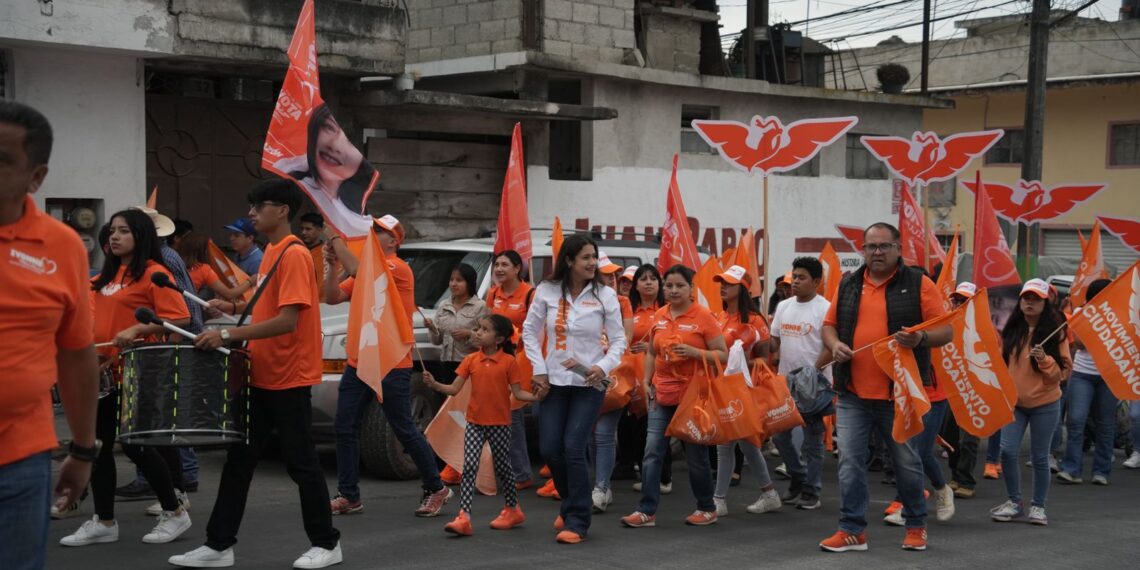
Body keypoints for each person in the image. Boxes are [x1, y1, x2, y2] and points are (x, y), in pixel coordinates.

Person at [170, 180, 342, 568]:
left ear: (282, 210)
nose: (250, 214)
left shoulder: (294, 253)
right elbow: (264, 308)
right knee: (239, 462)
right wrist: (229, 311)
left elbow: (287, 320)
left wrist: (227, 333)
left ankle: (327, 543)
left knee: (301, 464)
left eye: (258, 206)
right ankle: (218, 545)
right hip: (261, 374)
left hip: (289, 377)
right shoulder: (272, 253)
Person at [0, 100, 99, 570]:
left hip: (19, 462)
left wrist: (82, 449)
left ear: (36, 177)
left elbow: (77, 354)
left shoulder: (62, 247)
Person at [60, 209, 192, 548]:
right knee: (99, 447)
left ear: (142, 235)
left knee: (136, 446)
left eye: (124, 231)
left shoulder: (153, 273)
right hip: (101, 372)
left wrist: (137, 328)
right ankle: (104, 520)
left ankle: (174, 511)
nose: (115, 237)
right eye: (112, 231)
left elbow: (180, 316)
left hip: (137, 371)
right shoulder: (104, 275)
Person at [818, 222, 951, 553]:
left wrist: (920, 338)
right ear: (862, 250)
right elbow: (829, 327)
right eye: (870, 247)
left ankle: (917, 525)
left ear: (898, 248)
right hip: (852, 393)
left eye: (883, 246)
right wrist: (834, 346)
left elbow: (946, 332)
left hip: (899, 394)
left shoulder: (919, 284)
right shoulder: (848, 284)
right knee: (849, 462)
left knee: (906, 464)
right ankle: (852, 531)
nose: (876, 253)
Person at [324, 215, 451, 516]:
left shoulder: (397, 267)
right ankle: (349, 495)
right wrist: (331, 265)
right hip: (360, 359)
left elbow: (359, 269)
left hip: (391, 360)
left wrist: (335, 239)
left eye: (379, 232)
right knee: (344, 426)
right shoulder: (366, 269)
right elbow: (331, 297)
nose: (371, 234)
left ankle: (436, 487)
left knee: (403, 427)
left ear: (394, 241)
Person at [521, 234, 626, 544]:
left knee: (573, 447)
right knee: (550, 448)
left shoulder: (606, 295)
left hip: (589, 383)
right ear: (569, 260)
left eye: (594, 256)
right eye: (586, 257)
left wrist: (603, 367)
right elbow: (529, 331)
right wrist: (538, 369)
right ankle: (570, 505)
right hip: (553, 381)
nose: (593, 262)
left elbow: (620, 340)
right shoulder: (546, 290)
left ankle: (578, 519)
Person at [621, 265, 727, 529]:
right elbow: (652, 354)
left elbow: (723, 355)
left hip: (693, 397)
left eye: (679, 285)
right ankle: (646, 511)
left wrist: (693, 352)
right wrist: (645, 381)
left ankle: (706, 508)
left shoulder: (703, 316)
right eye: (668, 285)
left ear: (691, 289)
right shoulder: (659, 315)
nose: (673, 290)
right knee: (652, 452)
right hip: (661, 392)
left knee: (696, 455)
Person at [423, 314, 538, 536]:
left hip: (500, 424)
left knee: (504, 469)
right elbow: (454, 389)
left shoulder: (509, 362)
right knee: (469, 468)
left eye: (484, 330)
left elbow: (518, 393)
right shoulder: (471, 360)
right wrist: (435, 384)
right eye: (478, 328)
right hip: (474, 423)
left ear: (499, 339)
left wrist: (536, 397)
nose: (477, 332)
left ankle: (512, 509)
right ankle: (464, 517)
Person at [990, 279, 1072, 526]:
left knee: (1039, 457)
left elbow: (1062, 374)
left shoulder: (1056, 332)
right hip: (1014, 403)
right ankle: (1015, 503)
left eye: (1036, 298)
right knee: (1007, 451)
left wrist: (1045, 360)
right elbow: (999, 364)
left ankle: (1038, 507)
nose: (1030, 303)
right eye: (1026, 298)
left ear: (1045, 303)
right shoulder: (1011, 330)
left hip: (1045, 404)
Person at [710, 265, 780, 517]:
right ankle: (768, 494)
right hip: (724, 388)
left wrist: (739, 362)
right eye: (721, 282)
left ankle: (719, 500)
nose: (723, 286)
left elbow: (764, 359)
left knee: (732, 445)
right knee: (744, 445)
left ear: (743, 288)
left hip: (746, 389)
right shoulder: (718, 317)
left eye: (728, 283)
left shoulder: (754, 320)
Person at [769, 257, 832, 510]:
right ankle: (798, 476)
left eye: (801, 277)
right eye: (794, 277)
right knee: (780, 437)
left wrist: (812, 372)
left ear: (817, 282)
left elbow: (830, 346)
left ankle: (811, 491)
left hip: (815, 387)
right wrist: (757, 345)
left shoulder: (826, 308)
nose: (794, 282)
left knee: (813, 441)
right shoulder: (783, 307)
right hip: (785, 384)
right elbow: (775, 342)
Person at [275, 103, 376, 237]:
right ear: (313, 132)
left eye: (345, 143)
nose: (335, 146)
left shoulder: (354, 220)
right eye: (328, 128)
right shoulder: (291, 168)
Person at [484, 250, 538, 492]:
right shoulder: (492, 293)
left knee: (513, 418)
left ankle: (522, 473)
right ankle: (504, 471)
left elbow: (536, 330)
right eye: (497, 265)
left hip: (521, 362)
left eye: (505, 264)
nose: (499, 269)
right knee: (495, 418)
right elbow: (486, 324)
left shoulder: (529, 294)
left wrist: (513, 337)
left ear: (518, 268)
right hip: (495, 363)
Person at [620, 265, 674, 495]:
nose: (649, 283)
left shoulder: (666, 309)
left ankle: (664, 477)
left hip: (657, 373)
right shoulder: (628, 309)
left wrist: (650, 348)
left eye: (653, 278)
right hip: (630, 372)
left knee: (656, 426)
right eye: (643, 279)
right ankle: (642, 470)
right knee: (632, 425)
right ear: (636, 285)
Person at [1057, 278, 1115, 486]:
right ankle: (1072, 469)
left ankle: (1101, 471)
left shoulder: (1121, 315)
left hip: (1109, 375)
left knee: (1106, 424)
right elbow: (1080, 344)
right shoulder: (1082, 313)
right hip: (1082, 373)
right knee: (1075, 420)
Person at [590, 251, 634, 512]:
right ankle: (600, 484)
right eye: (605, 274)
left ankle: (601, 487)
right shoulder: (580, 300)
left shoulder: (622, 302)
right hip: (584, 375)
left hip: (613, 374)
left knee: (605, 434)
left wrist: (607, 350)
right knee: (590, 436)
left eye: (613, 275)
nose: (611, 279)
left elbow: (625, 338)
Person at [939, 282, 983, 498]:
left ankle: (967, 479)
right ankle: (956, 475)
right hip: (951, 389)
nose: (958, 304)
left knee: (969, 439)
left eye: (963, 300)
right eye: (956, 299)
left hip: (974, 391)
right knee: (949, 436)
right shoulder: (946, 325)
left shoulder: (983, 327)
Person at [425, 263, 489, 384]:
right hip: (446, 364)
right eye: (451, 280)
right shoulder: (444, 305)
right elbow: (437, 341)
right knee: (449, 398)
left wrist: (469, 334)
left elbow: (486, 339)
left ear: (469, 283)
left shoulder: (480, 306)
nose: (453, 284)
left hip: (470, 364)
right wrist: (432, 328)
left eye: (459, 280)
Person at [176, 232, 255, 301]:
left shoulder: (174, 263)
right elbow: (229, 294)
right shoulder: (203, 269)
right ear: (204, 250)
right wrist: (250, 281)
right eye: (212, 247)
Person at [299, 212, 326, 287]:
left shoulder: (326, 253)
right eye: (302, 229)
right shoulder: (297, 249)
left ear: (319, 230)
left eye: (308, 229)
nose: (303, 232)